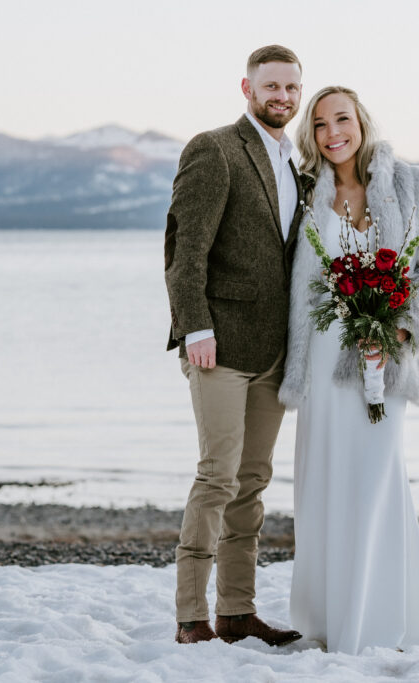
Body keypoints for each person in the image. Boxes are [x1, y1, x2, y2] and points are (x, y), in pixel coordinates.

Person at [278, 86, 419, 654]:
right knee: (322, 483)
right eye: (322, 123)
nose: (334, 133)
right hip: (321, 362)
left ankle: (377, 623)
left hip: (384, 359)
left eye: (343, 120)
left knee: (376, 482)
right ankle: (328, 620)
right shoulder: (304, 194)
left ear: (362, 121)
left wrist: (400, 329)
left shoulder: (413, 186)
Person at [164, 45, 305, 646]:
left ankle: (237, 611)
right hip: (217, 346)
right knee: (217, 479)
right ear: (246, 89)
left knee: (252, 483)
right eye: (271, 86)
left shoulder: (297, 162)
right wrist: (194, 326)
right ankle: (191, 617)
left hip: (275, 351)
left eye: (291, 89)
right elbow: (183, 248)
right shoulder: (215, 148)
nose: (282, 97)